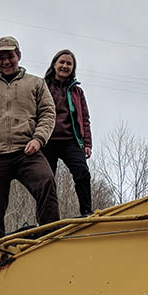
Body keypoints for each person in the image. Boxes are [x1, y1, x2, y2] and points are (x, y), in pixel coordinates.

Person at [0, 36, 60, 235]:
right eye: (1, 57)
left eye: (10, 56)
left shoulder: (36, 83)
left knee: (46, 181)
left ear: (19, 56)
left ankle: (50, 235)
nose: (6, 61)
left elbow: (48, 114)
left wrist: (38, 139)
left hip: (27, 151)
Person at [43, 49, 94, 216]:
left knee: (82, 173)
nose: (65, 66)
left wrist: (87, 143)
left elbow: (85, 118)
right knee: (46, 180)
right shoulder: (42, 86)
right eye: (62, 62)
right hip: (47, 140)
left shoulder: (77, 91)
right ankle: (47, 219)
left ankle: (87, 211)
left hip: (71, 140)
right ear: (54, 64)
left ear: (73, 68)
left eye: (69, 64)